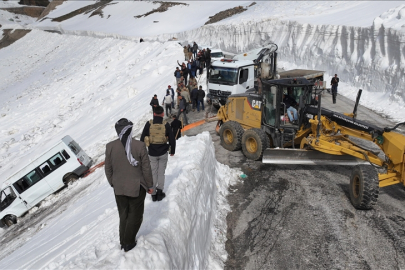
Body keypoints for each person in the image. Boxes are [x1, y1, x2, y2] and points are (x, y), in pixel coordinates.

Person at [105, 118, 153, 252]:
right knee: (135, 216)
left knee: (124, 215)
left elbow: (108, 169)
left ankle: (123, 242)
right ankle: (129, 243)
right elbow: (146, 168)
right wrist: (150, 185)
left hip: (119, 188)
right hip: (136, 187)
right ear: (130, 130)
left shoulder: (110, 147)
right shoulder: (139, 146)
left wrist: (113, 183)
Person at [140, 106, 175, 202]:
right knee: (161, 173)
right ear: (163, 114)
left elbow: (142, 138)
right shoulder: (166, 124)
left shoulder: (149, 124)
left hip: (152, 153)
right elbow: (172, 138)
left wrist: (142, 151)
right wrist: (172, 151)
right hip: (163, 152)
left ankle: (153, 194)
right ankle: (160, 192)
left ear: (154, 114)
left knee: (153, 172)